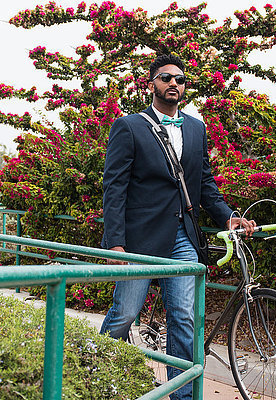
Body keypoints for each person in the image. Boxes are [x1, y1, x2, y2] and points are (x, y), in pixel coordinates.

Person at [100, 54, 256, 400]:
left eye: (180, 79)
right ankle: (97, 377)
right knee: (125, 314)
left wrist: (227, 216)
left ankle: (181, 396)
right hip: (139, 239)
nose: (174, 83)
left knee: (184, 316)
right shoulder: (129, 126)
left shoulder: (196, 128)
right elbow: (115, 188)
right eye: (166, 77)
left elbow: (204, 184)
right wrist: (115, 243)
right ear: (151, 84)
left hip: (183, 237)